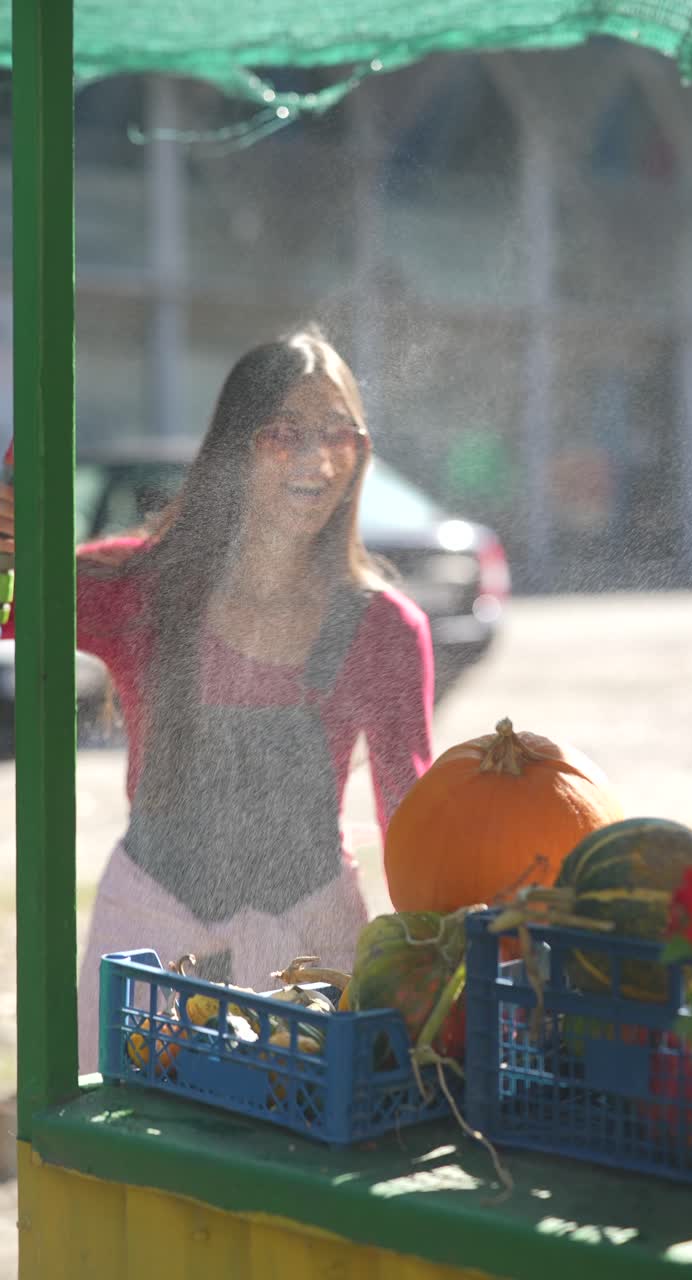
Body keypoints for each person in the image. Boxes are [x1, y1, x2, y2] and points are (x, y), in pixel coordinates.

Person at [0, 328, 434, 1071]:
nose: (317, 458)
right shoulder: (141, 589)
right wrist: (10, 545)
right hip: (147, 950)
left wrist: (438, 967)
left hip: (310, 955)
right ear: (234, 449)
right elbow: (15, 602)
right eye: (284, 434)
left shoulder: (382, 628)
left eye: (341, 435)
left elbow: (418, 826)